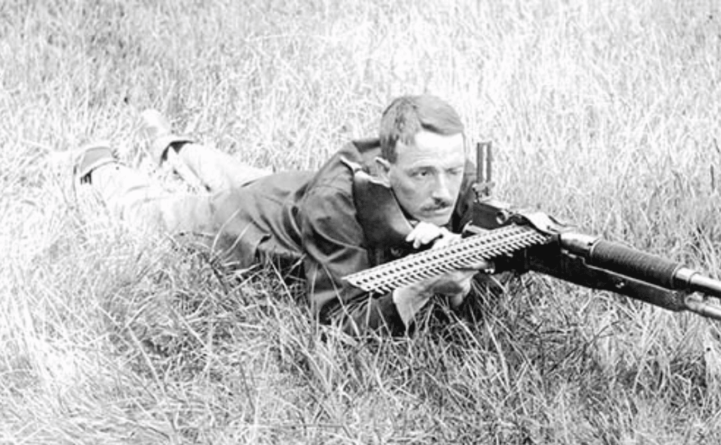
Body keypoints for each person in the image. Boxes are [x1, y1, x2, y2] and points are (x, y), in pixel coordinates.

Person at [74, 95, 491, 335]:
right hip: (259, 220)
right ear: (385, 171)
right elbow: (336, 325)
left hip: (294, 187)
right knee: (156, 216)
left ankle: (173, 146)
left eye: (452, 171)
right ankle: (98, 166)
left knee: (239, 174)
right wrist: (419, 287)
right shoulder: (335, 209)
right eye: (422, 173)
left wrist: (459, 283)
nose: (442, 192)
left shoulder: (453, 176)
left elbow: (474, 310)